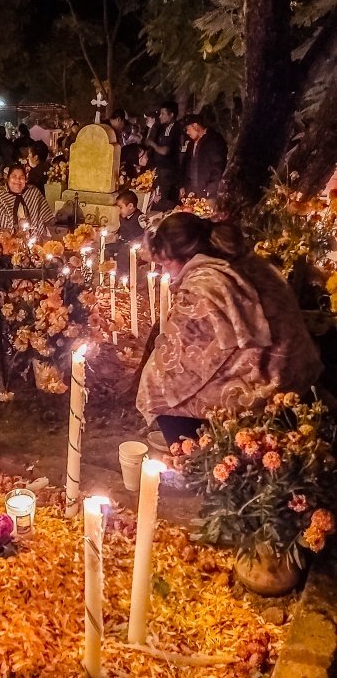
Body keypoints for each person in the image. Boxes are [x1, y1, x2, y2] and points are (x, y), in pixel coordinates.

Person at [137, 213, 322, 446]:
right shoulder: (243, 259)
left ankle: (194, 455)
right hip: (297, 366)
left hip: (269, 382)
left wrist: (153, 379)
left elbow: (183, 363)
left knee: (158, 387)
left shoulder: (204, 284)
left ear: (185, 255)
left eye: (166, 263)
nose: (166, 272)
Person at [0, 164, 54, 238]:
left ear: (26, 179)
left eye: (21, 177)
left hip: (33, 241)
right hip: (7, 242)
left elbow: (47, 219)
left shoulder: (33, 193)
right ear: (8, 178)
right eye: (14, 176)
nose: (18, 180)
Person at [181, 114, 228, 202]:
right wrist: (184, 185)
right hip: (191, 192)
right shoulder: (191, 143)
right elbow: (187, 165)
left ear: (195, 126)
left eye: (187, 129)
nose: (187, 132)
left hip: (207, 193)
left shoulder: (214, 140)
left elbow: (218, 168)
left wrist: (210, 191)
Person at [145, 101, 183, 204]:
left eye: (163, 114)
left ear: (171, 115)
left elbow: (165, 150)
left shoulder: (173, 128)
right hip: (164, 171)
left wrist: (152, 143)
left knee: (164, 201)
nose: (160, 116)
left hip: (167, 171)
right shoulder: (165, 128)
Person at [106, 190, 144, 274]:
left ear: (130, 206)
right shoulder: (122, 216)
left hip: (134, 246)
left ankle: (123, 277)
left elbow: (148, 231)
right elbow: (123, 228)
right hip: (122, 242)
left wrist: (140, 244)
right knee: (105, 249)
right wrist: (116, 235)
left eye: (120, 207)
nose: (119, 210)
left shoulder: (140, 217)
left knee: (123, 253)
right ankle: (107, 272)